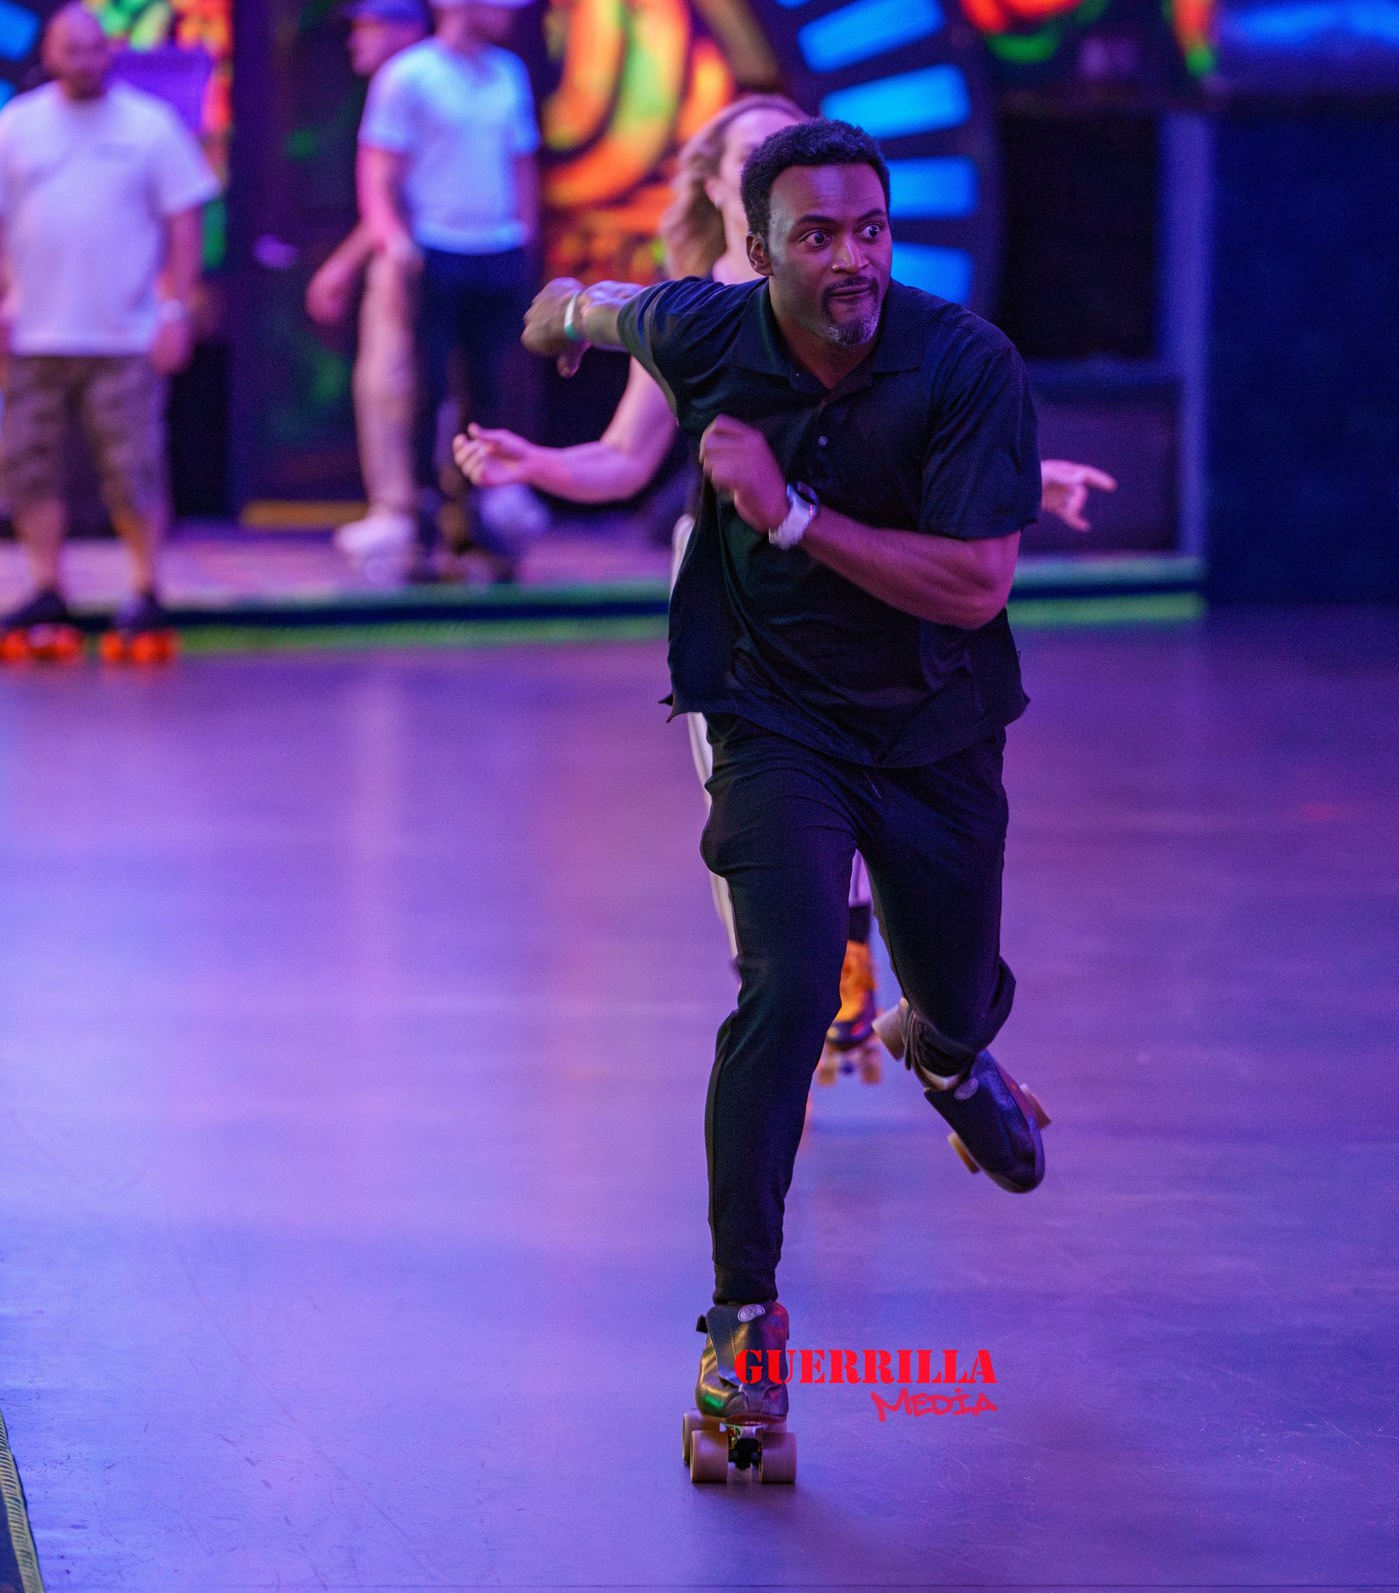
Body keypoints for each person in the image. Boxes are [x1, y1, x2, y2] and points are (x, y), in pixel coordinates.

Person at [516, 119, 1052, 1435]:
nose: (852, 259)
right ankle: (742, 1317)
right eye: (817, 235)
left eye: (870, 230)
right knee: (793, 984)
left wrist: (791, 517)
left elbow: (979, 583)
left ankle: (950, 1048)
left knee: (953, 989)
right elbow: (578, 306)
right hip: (769, 719)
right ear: (759, 248)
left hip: (935, 728)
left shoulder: (966, 363)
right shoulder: (709, 327)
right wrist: (568, 319)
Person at [453, 94, 1113, 1072]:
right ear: (724, 187)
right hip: (740, 580)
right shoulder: (687, 311)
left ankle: (894, 991)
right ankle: (796, 999)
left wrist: (1029, 478)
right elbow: (622, 461)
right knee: (764, 799)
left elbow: (934, 417)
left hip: (855, 570)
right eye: (756, 155)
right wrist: (534, 463)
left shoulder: (855, 292)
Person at [0, 5, 217, 647]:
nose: (86, 62)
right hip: (33, 333)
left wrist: (175, 309)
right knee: (28, 466)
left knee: (134, 466)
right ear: (50, 55)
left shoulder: (150, 125)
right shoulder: (17, 127)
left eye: (95, 49)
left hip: (125, 334)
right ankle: (47, 587)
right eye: (72, 51)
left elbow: (185, 222)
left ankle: (145, 588)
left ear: (112, 51)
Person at [357, 0, 542, 583]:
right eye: (495, 1)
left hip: (496, 250)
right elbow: (379, 172)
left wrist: (525, 237)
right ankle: (422, 525)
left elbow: (521, 162)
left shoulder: (508, 74)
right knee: (426, 389)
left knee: (489, 392)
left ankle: (482, 520)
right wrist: (394, 239)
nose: (507, 13)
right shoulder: (409, 76)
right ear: (462, 5)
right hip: (434, 249)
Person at [307, 0, 431, 585]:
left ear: (406, 31)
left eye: (370, 26)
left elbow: (395, 194)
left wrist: (348, 263)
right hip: (404, 254)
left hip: (418, 260)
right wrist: (346, 262)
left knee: (394, 384)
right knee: (389, 383)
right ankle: (404, 508)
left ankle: (401, 510)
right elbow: (384, 197)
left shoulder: (410, 83)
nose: (357, 39)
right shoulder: (409, 86)